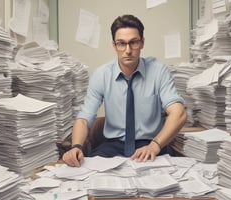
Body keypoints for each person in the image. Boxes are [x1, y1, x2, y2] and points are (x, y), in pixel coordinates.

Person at [60, 14, 187, 167]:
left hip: (151, 145)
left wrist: (155, 145)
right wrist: (76, 147)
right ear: (114, 45)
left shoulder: (158, 71)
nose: (128, 50)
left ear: (142, 43)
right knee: (89, 175)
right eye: (121, 43)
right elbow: (83, 119)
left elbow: (178, 113)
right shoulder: (102, 75)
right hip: (114, 147)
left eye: (133, 42)